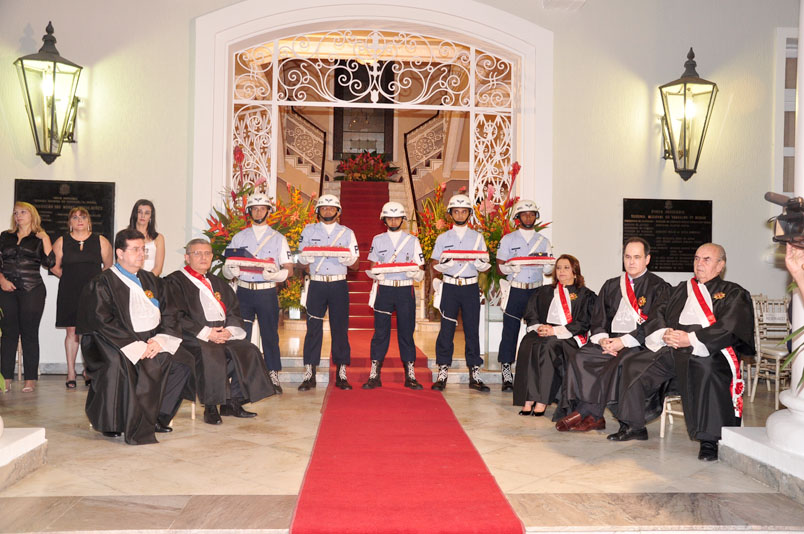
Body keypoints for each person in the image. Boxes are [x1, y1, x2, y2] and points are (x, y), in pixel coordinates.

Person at [611, 243, 754, 461]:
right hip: (673, 350)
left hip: (709, 352)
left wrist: (692, 339)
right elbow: (658, 312)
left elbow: (729, 327)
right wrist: (664, 333)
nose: (699, 263)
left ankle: (710, 440)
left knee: (707, 369)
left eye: (706, 259)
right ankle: (634, 424)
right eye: (696, 258)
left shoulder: (734, 293)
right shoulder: (680, 290)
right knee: (634, 362)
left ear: (720, 265)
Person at [76, 228, 191, 445]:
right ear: (120, 253)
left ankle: (158, 416)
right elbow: (102, 320)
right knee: (120, 364)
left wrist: (160, 340)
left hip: (153, 339)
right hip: (114, 341)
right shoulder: (103, 282)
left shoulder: (152, 280)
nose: (141, 254)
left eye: (143, 249)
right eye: (135, 249)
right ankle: (113, 422)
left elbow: (170, 312)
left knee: (183, 361)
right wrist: (135, 345)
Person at [555, 237, 670, 432]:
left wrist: (623, 342)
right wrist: (603, 339)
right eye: (627, 257)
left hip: (638, 343)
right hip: (609, 340)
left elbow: (655, 323)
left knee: (617, 362)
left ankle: (589, 413)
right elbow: (598, 318)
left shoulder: (659, 287)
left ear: (647, 259)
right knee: (581, 357)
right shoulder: (611, 285)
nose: (631, 262)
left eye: (637, 257)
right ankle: (592, 415)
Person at [167, 239, 276, 424]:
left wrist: (229, 332)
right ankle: (211, 406)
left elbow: (233, 310)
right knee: (211, 352)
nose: (203, 257)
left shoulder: (218, 282)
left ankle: (233, 401)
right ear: (187, 257)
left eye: (207, 253)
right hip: (192, 336)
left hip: (221, 332)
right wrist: (206, 333)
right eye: (197, 253)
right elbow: (175, 315)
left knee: (247, 350)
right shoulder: (174, 281)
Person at [222, 193, 293, 392]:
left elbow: (289, 268)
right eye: (255, 209)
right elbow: (227, 266)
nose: (258, 212)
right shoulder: (239, 237)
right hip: (244, 292)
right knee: (241, 335)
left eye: (262, 209)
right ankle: (241, 376)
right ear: (249, 212)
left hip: (266, 292)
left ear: (268, 211)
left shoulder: (278, 238)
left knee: (270, 335)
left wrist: (277, 275)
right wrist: (230, 271)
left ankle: (273, 375)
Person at [513, 254, 595, 417]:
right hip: (544, 330)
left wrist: (555, 331)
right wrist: (539, 327)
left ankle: (542, 400)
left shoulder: (585, 295)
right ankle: (528, 397)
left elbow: (584, 322)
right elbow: (532, 313)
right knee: (528, 343)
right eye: (558, 268)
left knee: (548, 346)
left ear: (575, 272)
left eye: (566, 268)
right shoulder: (544, 291)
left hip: (568, 337)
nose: (561, 271)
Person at [430, 194, 492, 392]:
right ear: (450, 214)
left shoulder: (477, 237)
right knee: (446, 330)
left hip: (470, 287)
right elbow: (433, 263)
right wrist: (442, 266)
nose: (459, 215)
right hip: (450, 287)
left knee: (472, 330)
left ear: (469, 213)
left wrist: (482, 265)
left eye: (463, 211)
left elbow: (486, 264)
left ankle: (475, 373)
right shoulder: (443, 238)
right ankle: (442, 371)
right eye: (456, 211)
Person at [297, 194, 359, 391]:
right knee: (313, 329)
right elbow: (300, 261)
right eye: (324, 208)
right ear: (318, 211)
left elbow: (356, 264)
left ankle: (341, 372)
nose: (328, 211)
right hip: (317, 284)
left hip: (338, 284)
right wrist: (304, 260)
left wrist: (348, 260)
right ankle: (310, 373)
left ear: (338, 212)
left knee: (340, 329)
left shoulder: (347, 233)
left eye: (332, 208)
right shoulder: (308, 231)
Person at [363, 202, 425, 390]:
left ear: (402, 219)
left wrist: (416, 273)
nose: (393, 221)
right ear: (384, 219)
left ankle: (410, 374)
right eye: (389, 218)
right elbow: (373, 265)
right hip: (385, 289)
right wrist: (376, 274)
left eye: (397, 218)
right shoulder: (378, 240)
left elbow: (420, 266)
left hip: (405, 290)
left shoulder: (412, 240)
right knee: (380, 333)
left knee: (406, 332)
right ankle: (375, 374)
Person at [51, 207, 113, 389]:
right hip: (69, 292)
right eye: (75, 217)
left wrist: (96, 283)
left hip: (93, 293)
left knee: (91, 332)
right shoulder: (62, 241)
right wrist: (69, 278)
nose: (79, 220)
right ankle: (71, 372)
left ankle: (89, 371)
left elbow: (108, 266)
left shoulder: (101, 241)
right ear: (70, 222)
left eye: (83, 217)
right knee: (72, 332)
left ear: (89, 221)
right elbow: (54, 266)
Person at [496, 199, 553, 391]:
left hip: (536, 291)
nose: (528, 217)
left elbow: (548, 269)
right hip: (516, 290)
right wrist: (509, 268)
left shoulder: (543, 241)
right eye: (524, 214)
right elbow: (499, 267)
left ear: (536, 217)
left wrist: (549, 267)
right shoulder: (508, 240)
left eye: (531, 214)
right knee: (510, 331)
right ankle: (506, 372)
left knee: (536, 332)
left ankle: (533, 371)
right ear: (517, 217)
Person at [0, 202, 54, 393]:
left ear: (32, 215)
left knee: (30, 333)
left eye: (23, 212)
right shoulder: (5, 236)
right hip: (6, 289)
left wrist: (46, 238)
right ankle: (5, 378)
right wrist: (1, 280)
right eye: (16, 213)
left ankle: (30, 379)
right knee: (8, 334)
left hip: (32, 290)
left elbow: (50, 262)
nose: (18, 216)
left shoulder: (38, 238)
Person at [128, 199, 165, 275]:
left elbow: (158, 268)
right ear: (135, 214)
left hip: (151, 279)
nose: (143, 216)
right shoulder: (126, 236)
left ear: (151, 216)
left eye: (147, 213)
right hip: (129, 278)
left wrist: (147, 280)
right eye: (140, 212)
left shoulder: (158, 238)